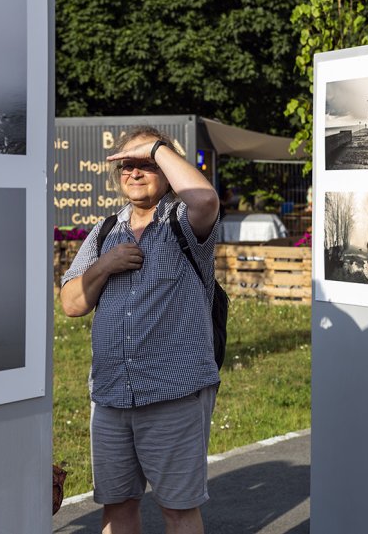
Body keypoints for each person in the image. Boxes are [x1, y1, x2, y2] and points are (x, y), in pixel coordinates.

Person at [60, 126, 221, 534]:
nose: (134, 172)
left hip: (173, 394)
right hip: (111, 396)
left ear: (167, 170)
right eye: (126, 166)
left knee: (178, 511)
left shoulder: (184, 222)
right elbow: (71, 303)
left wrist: (156, 147)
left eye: (146, 165)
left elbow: (205, 197)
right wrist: (105, 265)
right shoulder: (104, 232)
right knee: (117, 508)